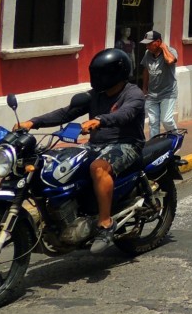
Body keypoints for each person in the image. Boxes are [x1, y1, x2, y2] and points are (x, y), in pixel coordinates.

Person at [16, 48, 145, 254]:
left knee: (98, 168)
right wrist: (33, 122)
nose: (98, 78)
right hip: (96, 145)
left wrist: (100, 120)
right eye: (96, 73)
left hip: (127, 144)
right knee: (57, 164)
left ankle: (105, 223)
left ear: (116, 73)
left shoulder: (133, 94)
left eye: (102, 74)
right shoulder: (95, 95)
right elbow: (67, 113)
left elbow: (125, 114)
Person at [140, 30, 178, 136]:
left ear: (158, 42)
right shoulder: (148, 54)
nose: (147, 47)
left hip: (168, 93)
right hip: (152, 94)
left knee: (166, 120)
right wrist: (144, 88)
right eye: (146, 44)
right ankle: (154, 147)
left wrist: (164, 48)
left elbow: (170, 61)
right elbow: (146, 70)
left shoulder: (171, 51)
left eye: (149, 44)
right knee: (153, 123)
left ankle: (176, 139)